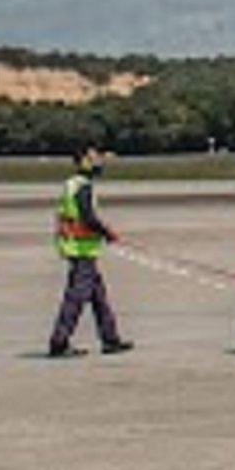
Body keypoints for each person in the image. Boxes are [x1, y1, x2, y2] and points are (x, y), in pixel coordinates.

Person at [48, 141, 133, 355]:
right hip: (81, 250)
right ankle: (59, 341)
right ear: (84, 160)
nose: (100, 162)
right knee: (76, 297)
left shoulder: (72, 184)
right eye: (95, 157)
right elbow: (88, 218)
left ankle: (110, 339)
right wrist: (107, 232)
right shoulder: (82, 186)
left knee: (99, 297)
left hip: (80, 249)